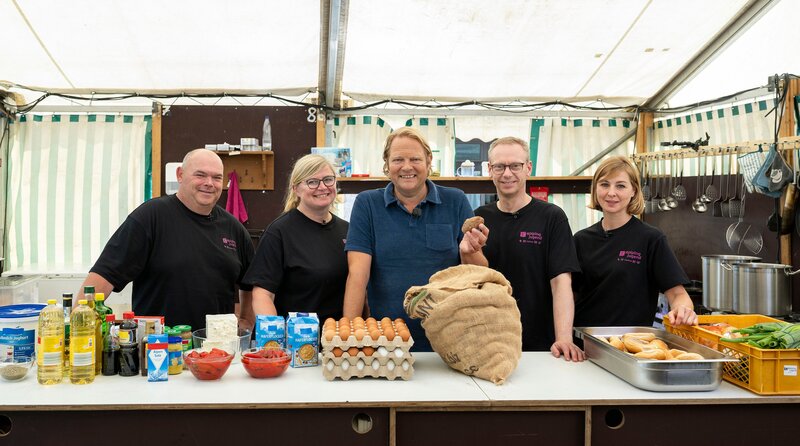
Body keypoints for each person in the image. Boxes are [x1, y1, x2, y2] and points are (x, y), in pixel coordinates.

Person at [343, 127, 488, 351]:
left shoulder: (455, 201)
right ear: (387, 164)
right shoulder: (367, 204)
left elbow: (479, 275)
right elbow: (357, 274)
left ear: (429, 162)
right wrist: (349, 339)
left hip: (449, 340)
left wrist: (468, 252)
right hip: (386, 341)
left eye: (415, 159)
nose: (407, 167)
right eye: (398, 159)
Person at [81, 149, 255, 331]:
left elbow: (250, 283)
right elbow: (102, 276)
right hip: (158, 350)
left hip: (217, 353)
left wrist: (246, 322)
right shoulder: (149, 218)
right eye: (200, 175)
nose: (209, 183)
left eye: (217, 177)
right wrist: (80, 331)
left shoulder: (234, 229)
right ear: (180, 175)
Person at [474, 136, 584, 361]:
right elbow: (475, 279)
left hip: (541, 343)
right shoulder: (480, 217)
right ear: (489, 170)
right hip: (490, 339)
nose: (507, 173)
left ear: (528, 168)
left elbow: (561, 282)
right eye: (499, 166)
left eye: (515, 166)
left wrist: (563, 337)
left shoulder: (552, 217)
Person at [573, 155, 697, 328]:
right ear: (595, 189)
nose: (611, 193)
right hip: (583, 342)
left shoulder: (650, 239)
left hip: (631, 344)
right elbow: (569, 296)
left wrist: (683, 310)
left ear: (634, 191)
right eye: (604, 184)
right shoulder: (580, 239)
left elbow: (677, 294)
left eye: (621, 186)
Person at [243, 154, 348, 323]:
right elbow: (262, 294)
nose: (322, 187)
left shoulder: (348, 230)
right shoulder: (279, 232)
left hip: (336, 341)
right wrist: (276, 338)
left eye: (328, 179)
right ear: (296, 189)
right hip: (295, 341)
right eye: (312, 182)